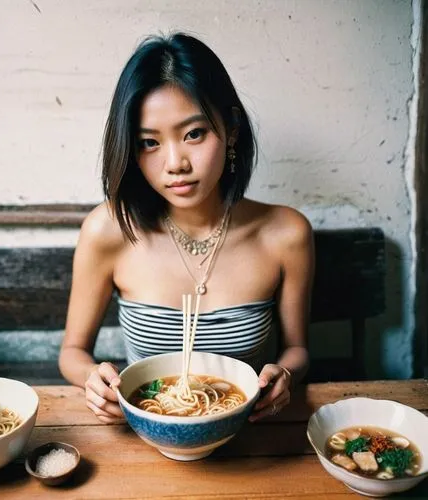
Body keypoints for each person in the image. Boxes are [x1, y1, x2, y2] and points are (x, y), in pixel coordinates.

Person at [59, 32, 314, 424]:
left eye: (193, 134)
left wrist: (286, 375)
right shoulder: (109, 230)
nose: (175, 162)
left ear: (230, 129)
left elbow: (297, 349)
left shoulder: (286, 233)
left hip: (249, 437)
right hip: (147, 433)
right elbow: (72, 352)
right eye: (149, 142)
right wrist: (92, 378)